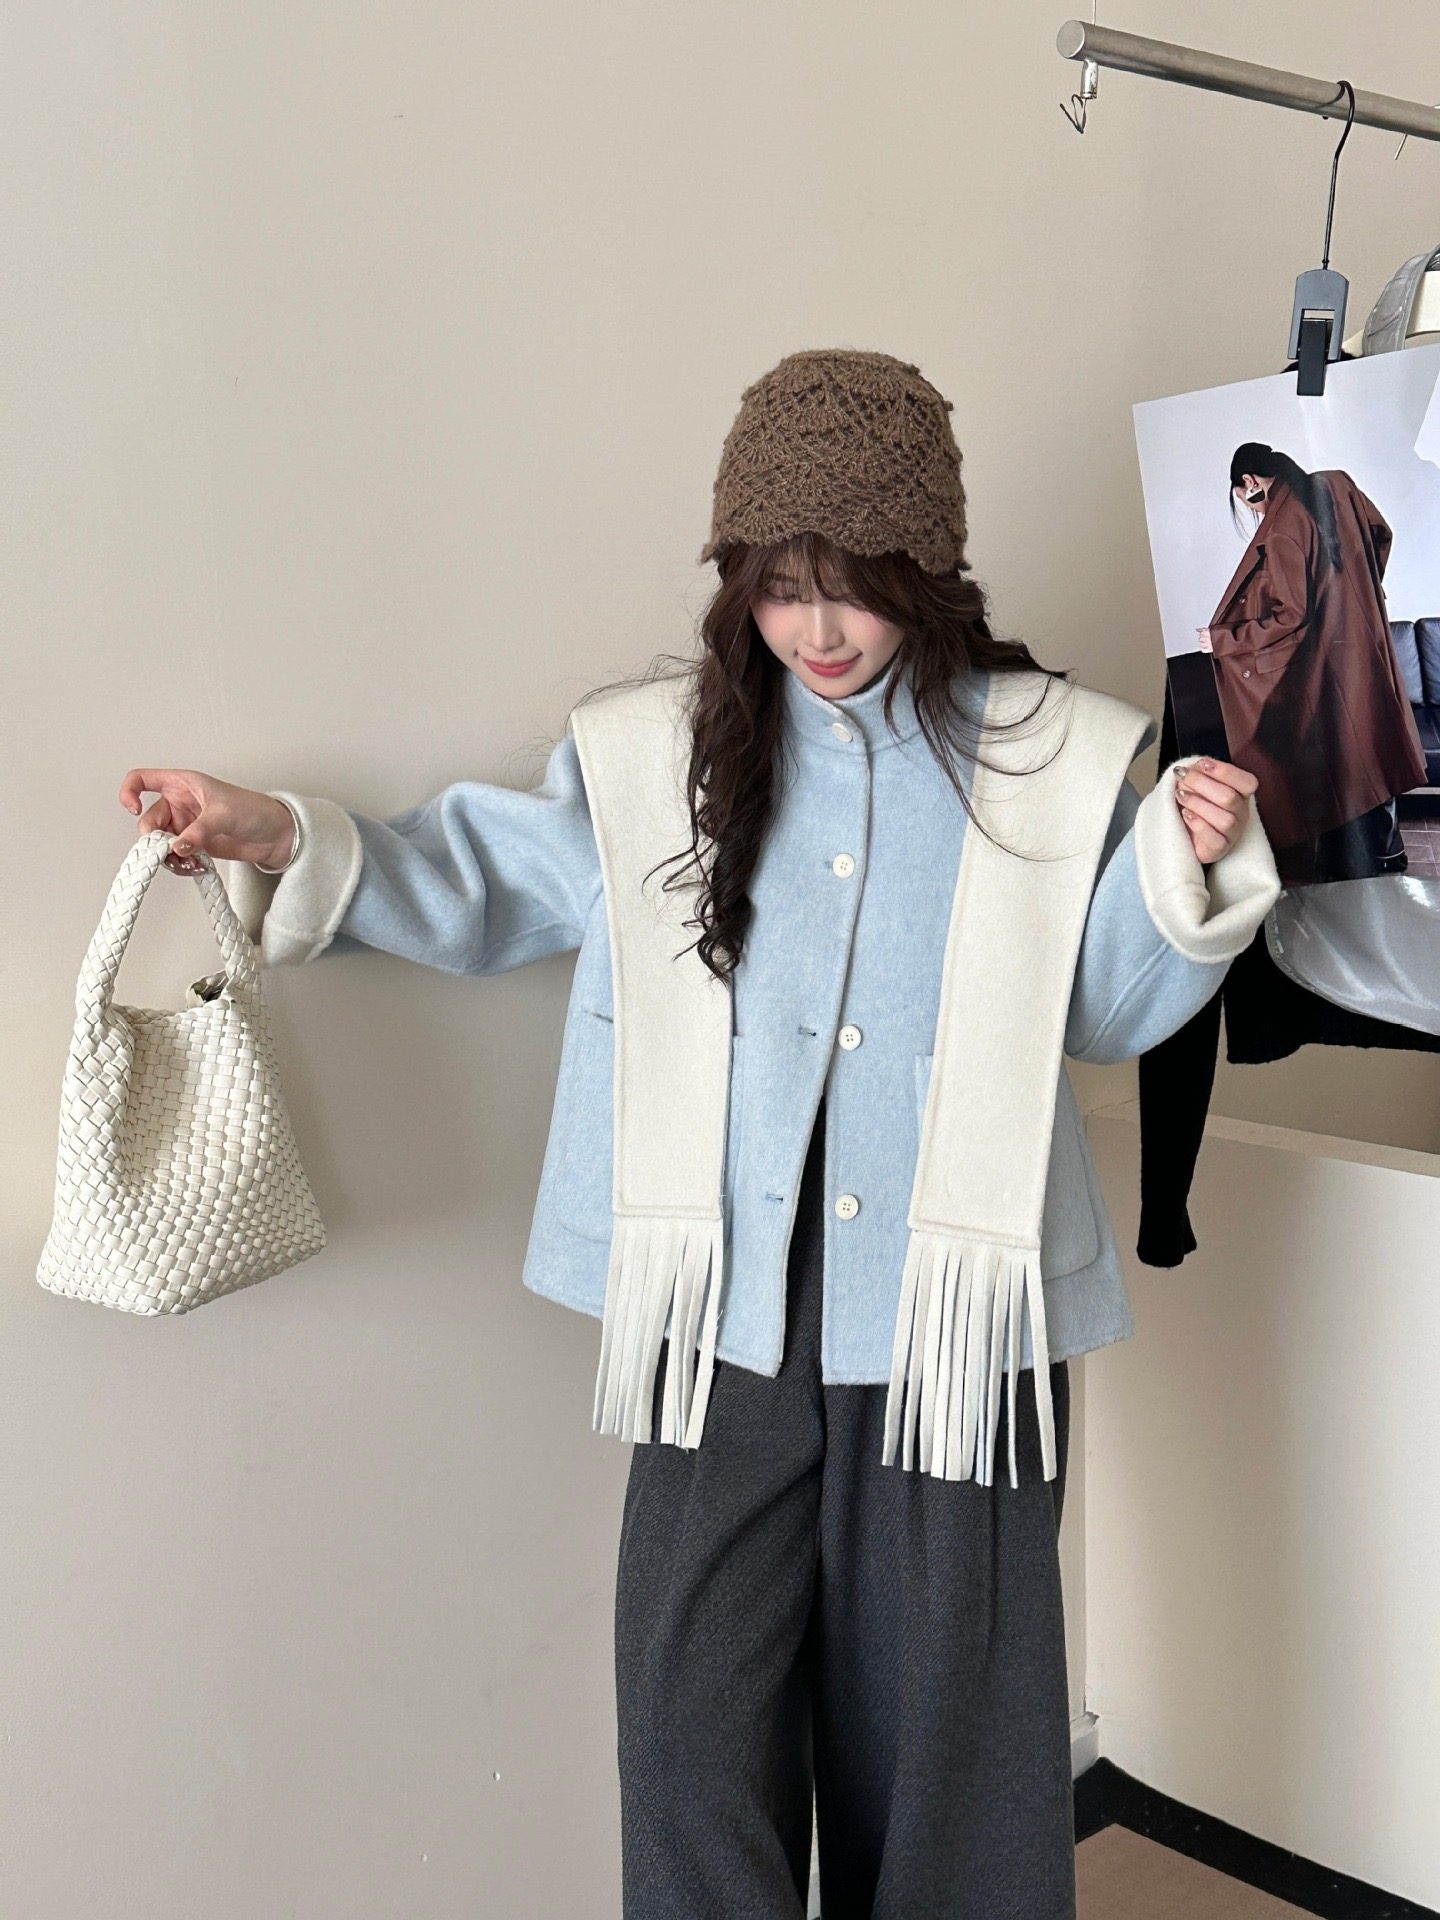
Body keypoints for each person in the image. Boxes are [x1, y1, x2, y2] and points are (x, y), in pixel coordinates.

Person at [119, 348, 1280, 1918]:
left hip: (954, 1329)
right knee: (690, 1741)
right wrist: (279, 835)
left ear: (925, 570)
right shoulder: (657, 756)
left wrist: (1185, 874)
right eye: (780, 587)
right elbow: (480, 879)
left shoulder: (1051, 756)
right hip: (720, 1321)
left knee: (952, 1759)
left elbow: (1103, 1007)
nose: (817, 629)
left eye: (853, 586)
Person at [1197, 442, 1427, 886]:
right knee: (1372, 743)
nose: (1251, 509)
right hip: (1364, 642)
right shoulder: (1338, 484)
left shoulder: (1283, 525)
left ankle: (1357, 871)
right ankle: (1389, 854)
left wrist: (1223, 639)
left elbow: (1291, 614)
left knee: (1340, 754)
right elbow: (1381, 533)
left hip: (1326, 658)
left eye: (1243, 499)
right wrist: (1359, 591)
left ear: (1249, 482)